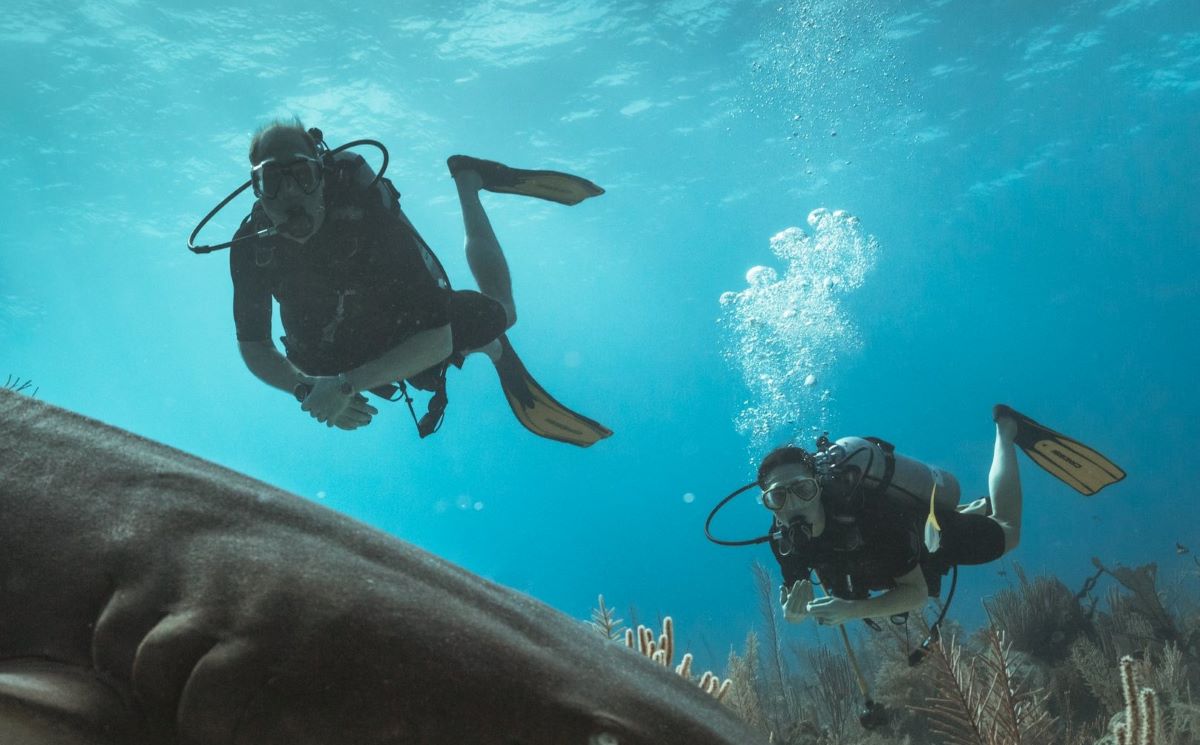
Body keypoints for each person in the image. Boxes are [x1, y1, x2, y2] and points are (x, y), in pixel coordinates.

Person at [228, 119, 612, 446]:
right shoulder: (252, 247)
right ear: (256, 190)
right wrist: (308, 390)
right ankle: (481, 349)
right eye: (271, 181)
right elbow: (254, 345)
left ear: (323, 177)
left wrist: (343, 388)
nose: (290, 193)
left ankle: (469, 181)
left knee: (500, 314)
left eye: (301, 174)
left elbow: (438, 337)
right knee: (313, 361)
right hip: (329, 348)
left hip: (403, 319)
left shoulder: (366, 214)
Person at [759, 404, 1124, 628]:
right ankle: (964, 510)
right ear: (768, 504)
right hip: (900, 551)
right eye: (778, 497)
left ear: (819, 488)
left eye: (803, 491)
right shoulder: (785, 544)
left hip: (928, 538)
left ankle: (1007, 430)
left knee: (1009, 533)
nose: (793, 506)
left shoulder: (873, 519)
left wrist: (852, 611)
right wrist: (794, 615)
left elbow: (916, 594)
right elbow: (795, 600)